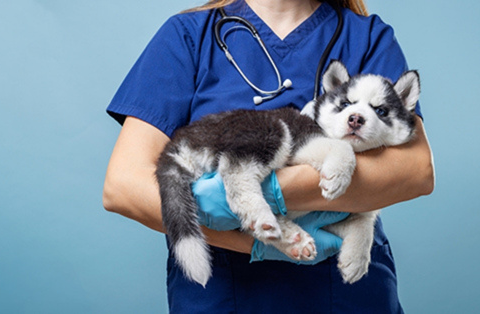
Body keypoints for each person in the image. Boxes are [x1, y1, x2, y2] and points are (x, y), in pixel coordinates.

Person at [103, 0, 434, 312]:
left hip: (349, 296)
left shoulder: (367, 37)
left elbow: (415, 170)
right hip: (225, 296)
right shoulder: (189, 35)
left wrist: (272, 192)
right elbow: (123, 187)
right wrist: (254, 242)